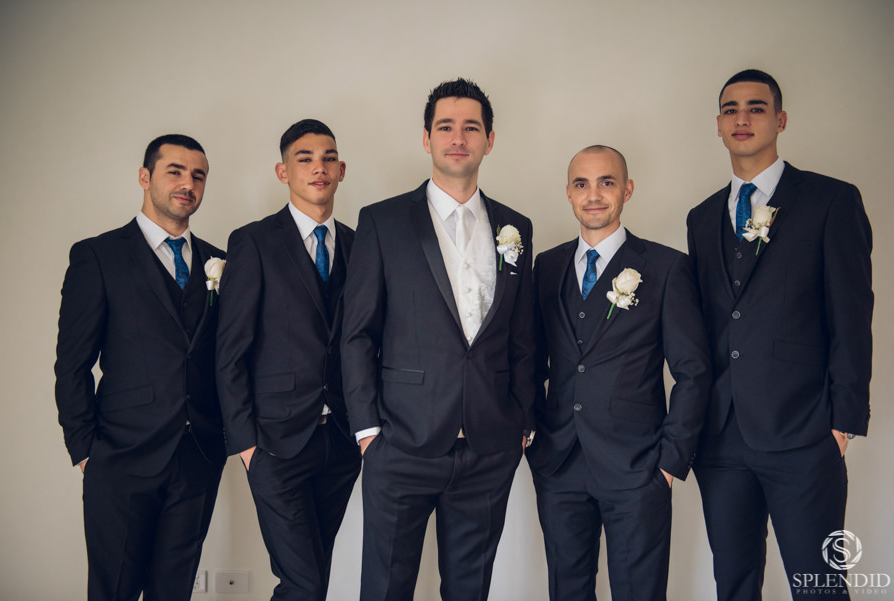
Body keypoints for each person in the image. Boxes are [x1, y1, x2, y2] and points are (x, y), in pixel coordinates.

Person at [341, 78, 535, 601]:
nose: (458, 137)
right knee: (385, 589)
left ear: (489, 140)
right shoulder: (382, 222)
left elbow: (522, 336)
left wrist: (521, 420)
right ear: (426, 138)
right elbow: (357, 334)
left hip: (490, 447)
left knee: (470, 591)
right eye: (445, 127)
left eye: (471, 127)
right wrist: (368, 432)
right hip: (400, 442)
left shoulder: (516, 227)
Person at [687, 69, 873, 600]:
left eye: (756, 107)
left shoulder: (830, 201)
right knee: (734, 584)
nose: (742, 118)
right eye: (730, 109)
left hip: (803, 431)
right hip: (721, 437)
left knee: (818, 587)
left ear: (780, 120)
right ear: (718, 125)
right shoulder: (701, 218)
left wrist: (842, 421)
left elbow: (852, 313)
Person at [527, 145, 711, 601]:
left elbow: (693, 371)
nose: (594, 195)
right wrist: (529, 431)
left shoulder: (666, 267)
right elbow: (528, 356)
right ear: (568, 193)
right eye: (582, 184)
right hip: (559, 464)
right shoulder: (546, 266)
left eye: (606, 182)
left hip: (638, 466)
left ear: (627, 189)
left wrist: (669, 461)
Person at [54, 134, 225, 600]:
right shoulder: (98, 256)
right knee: (115, 590)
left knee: (175, 591)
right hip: (120, 457)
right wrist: (86, 451)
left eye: (198, 176)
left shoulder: (220, 261)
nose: (188, 184)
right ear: (145, 177)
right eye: (175, 171)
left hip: (198, 456)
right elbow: (72, 364)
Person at [215, 119, 361, 601]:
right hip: (275, 444)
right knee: (303, 581)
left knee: (314, 575)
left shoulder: (359, 245)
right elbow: (231, 350)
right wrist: (247, 447)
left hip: (341, 441)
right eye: (305, 158)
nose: (319, 168)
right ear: (283, 172)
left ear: (341, 170)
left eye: (328, 158)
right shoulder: (254, 242)